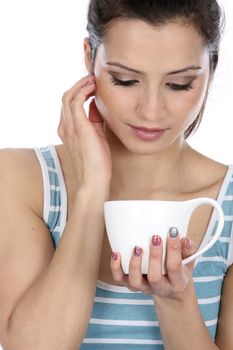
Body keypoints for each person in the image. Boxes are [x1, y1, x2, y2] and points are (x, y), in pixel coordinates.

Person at [0, 0, 232, 349]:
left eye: (180, 84)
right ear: (89, 58)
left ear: (211, 71)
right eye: (125, 80)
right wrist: (92, 188)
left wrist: (175, 300)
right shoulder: (22, 179)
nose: (151, 110)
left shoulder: (226, 202)